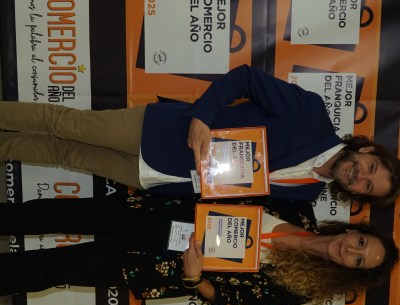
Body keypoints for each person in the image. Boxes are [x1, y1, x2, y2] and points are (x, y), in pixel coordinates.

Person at [1, 65, 399, 204]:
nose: (359, 176)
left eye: (367, 186)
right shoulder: (311, 115)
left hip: (160, 179)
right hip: (159, 133)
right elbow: (246, 78)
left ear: (359, 195)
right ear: (367, 150)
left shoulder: (307, 194)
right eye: (370, 169)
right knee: (64, 124)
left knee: (67, 156)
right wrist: (203, 118)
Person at [0, 195, 397, 305]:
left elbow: (231, 300)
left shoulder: (299, 288)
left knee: (54, 268)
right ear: (354, 230)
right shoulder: (298, 209)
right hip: (159, 214)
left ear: (351, 271)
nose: (351, 250)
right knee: (53, 212)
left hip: (161, 264)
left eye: (358, 260)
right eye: (361, 243)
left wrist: (195, 279)